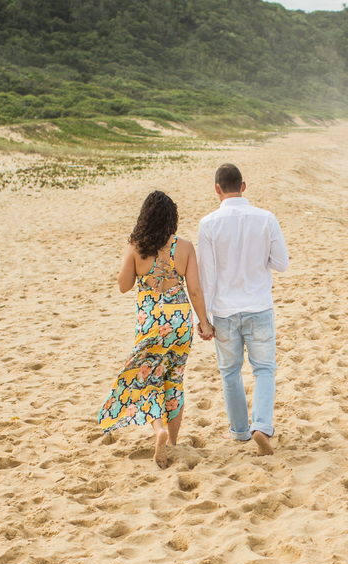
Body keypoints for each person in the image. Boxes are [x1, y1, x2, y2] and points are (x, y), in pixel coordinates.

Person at [98, 190, 214, 469]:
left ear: (145, 218)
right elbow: (194, 290)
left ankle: (158, 429)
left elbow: (123, 285)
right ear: (171, 218)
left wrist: (134, 256)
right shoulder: (184, 247)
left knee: (148, 376)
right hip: (179, 322)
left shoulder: (137, 247)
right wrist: (205, 322)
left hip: (150, 322)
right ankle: (172, 442)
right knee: (175, 378)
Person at [197, 163, 289, 455]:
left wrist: (203, 319)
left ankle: (239, 431)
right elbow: (282, 263)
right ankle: (261, 426)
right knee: (264, 369)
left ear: (217, 189)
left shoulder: (208, 223)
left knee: (230, 372)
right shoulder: (266, 218)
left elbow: (206, 276)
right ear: (244, 186)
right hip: (259, 307)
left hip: (224, 311)